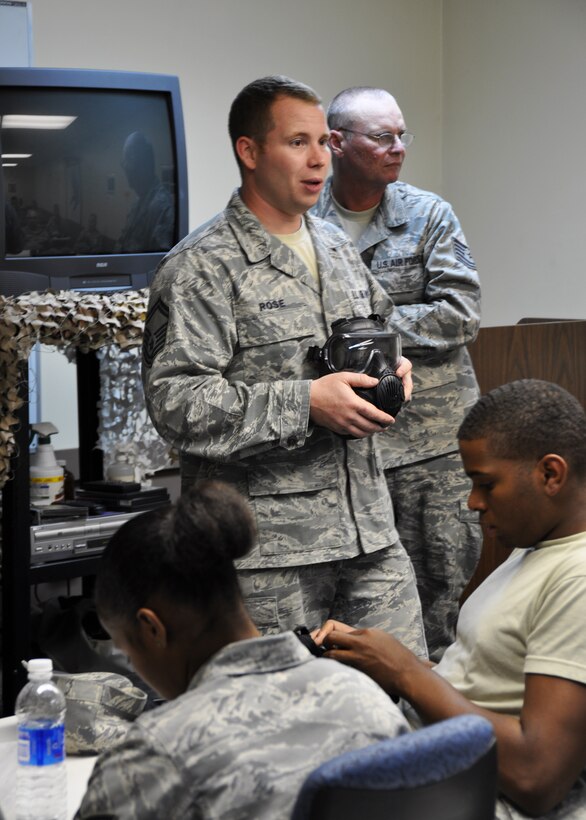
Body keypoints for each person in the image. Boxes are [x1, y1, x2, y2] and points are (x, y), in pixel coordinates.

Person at [142, 75, 426, 655]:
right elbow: (175, 404)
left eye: (324, 142)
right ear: (249, 151)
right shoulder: (201, 266)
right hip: (265, 557)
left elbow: (384, 330)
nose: (319, 158)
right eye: (298, 142)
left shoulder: (338, 248)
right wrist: (306, 401)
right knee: (284, 731)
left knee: (404, 711)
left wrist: (397, 373)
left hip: (369, 533)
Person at [313, 379, 586, 819]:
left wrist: (405, 673)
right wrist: (379, 658)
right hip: (449, 777)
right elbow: (485, 685)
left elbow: (538, 776)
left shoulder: (578, 578)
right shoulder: (534, 553)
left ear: (550, 474)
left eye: (486, 483)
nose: (473, 502)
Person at [74, 481, 410, 820]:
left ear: (152, 629)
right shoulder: (362, 695)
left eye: (129, 653)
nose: (135, 665)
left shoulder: (157, 753)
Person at [313, 86, 482, 660]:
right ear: (337, 142)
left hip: (429, 447)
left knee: (440, 601)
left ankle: (436, 732)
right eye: (382, 137)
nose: (398, 148)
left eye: (402, 135)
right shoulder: (303, 220)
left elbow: (460, 315)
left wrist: (366, 334)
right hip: (339, 448)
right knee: (345, 602)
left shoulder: (427, 214)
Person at [116, 131, 175, 253]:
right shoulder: (138, 203)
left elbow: (159, 264)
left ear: (141, 161)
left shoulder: (162, 206)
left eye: (127, 159)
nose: (124, 167)